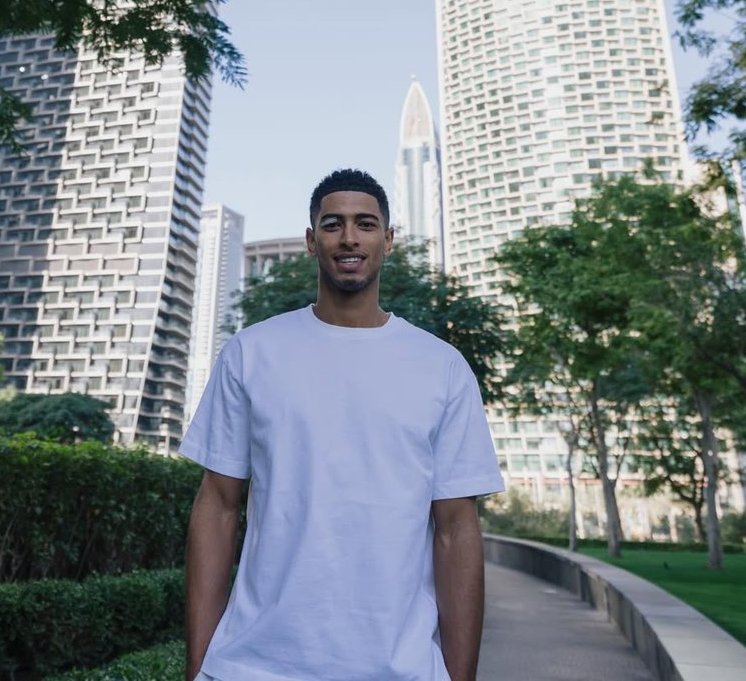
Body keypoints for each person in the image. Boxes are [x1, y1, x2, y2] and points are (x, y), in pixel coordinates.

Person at [181, 167, 504, 681]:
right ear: (312, 241)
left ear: (389, 240)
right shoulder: (251, 353)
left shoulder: (442, 368)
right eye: (333, 224)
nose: (349, 237)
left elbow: (456, 530)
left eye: (366, 224)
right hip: (255, 666)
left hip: (399, 669)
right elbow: (218, 506)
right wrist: (198, 666)